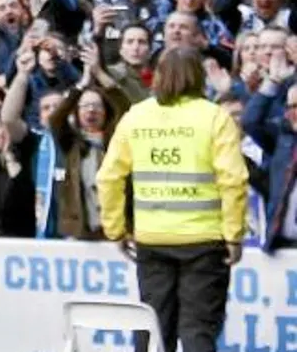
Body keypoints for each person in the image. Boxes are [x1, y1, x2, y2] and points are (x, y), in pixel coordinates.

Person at [97, 46, 248, 352]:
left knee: (153, 330)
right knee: (198, 331)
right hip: (204, 240)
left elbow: (108, 177)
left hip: (152, 238)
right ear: (199, 76)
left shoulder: (137, 116)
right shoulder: (214, 117)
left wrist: (115, 229)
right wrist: (234, 235)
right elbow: (233, 180)